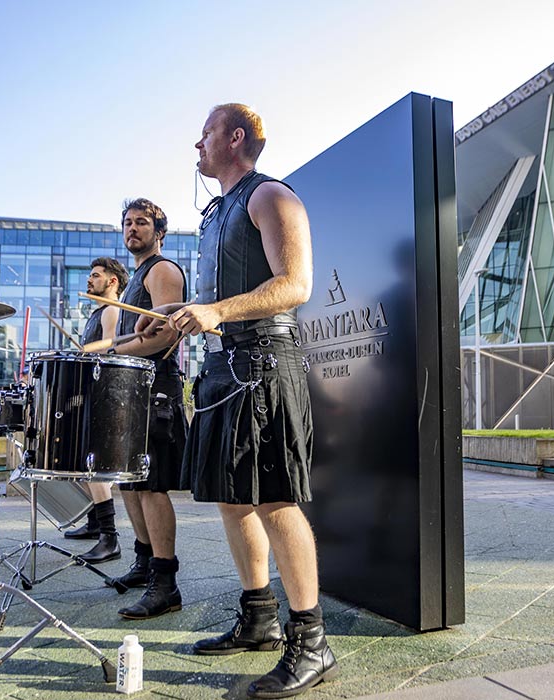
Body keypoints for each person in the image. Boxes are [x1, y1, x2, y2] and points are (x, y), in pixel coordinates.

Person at [139, 104, 335, 698]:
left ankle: (313, 642)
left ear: (235, 138)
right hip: (224, 369)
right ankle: (259, 618)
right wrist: (186, 314)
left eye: (204, 133)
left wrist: (217, 311)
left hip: (266, 363)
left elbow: (295, 285)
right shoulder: (217, 211)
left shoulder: (270, 195)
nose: (196, 144)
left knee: (276, 500)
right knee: (232, 499)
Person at [108, 198, 189, 620]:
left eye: (141, 222)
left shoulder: (162, 271)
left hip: (155, 386)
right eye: (127, 222)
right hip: (130, 388)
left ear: (159, 231)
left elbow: (165, 336)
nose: (132, 228)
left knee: (153, 485)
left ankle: (166, 581)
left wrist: (115, 347)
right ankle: (143, 561)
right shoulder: (136, 277)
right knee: (130, 483)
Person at [63, 257, 129, 566]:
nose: (90, 280)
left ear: (112, 282)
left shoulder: (113, 310)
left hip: (105, 394)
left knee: (96, 465)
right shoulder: (98, 312)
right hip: (92, 390)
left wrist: (86, 354)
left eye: (95, 275)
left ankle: (109, 537)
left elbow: (112, 347)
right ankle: (93, 524)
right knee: (85, 462)